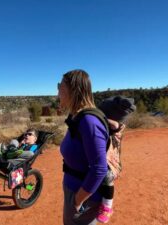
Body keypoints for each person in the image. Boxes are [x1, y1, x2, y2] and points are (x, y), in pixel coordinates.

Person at [58, 69, 109, 225]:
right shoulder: (76, 116)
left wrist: (78, 200)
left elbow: (99, 169)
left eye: (60, 86)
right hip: (73, 188)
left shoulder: (88, 122)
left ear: (73, 90)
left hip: (84, 198)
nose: (58, 90)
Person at [95, 96, 136, 223]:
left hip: (111, 162)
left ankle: (107, 207)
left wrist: (97, 116)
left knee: (107, 176)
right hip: (101, 158)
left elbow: (114, 125)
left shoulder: (118, 125)